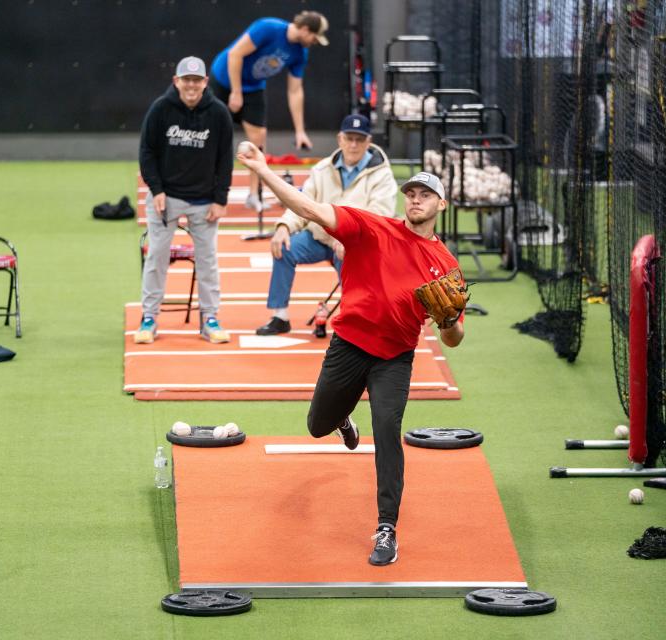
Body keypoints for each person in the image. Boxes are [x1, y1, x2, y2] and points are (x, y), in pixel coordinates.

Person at [239, 141, 465, 566]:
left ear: (442, 203)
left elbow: (453, 339)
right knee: (317, 425)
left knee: (387, 428)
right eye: (411, 193)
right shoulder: (372, 227)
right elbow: (310, 209)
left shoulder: (447, 265)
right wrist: (263, 169)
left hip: (394, 358)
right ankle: (342, 417)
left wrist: (450, 321)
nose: (416, 200)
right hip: (348, 346)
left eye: (425, 195)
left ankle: (386, 528)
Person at [256, 114, 398, 335]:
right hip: (319, 237)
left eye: (359, 140)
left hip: (355, 244)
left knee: (350, 259)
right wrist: (284, 226)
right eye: (349, 138)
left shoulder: (382, 175)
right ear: (339, 139)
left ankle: (355, 319)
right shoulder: (322, 169)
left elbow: (381, 216)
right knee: (283, 248)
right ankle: (280, 316)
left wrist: (351, 237)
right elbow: (303, 204)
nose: (353, 144)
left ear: (368, 142)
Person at [136, 56, 234, 344]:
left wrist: (220, 199)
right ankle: (149, 317)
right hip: (166, 198)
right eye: (186, 80)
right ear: (176, 81)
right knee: (156, 257)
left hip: (204, 200)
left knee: (208, 260)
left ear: (205, 82)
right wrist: (156, 190)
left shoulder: (218, 113)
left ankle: (210, 319)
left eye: (196, 80)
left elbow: (224, 159)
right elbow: (147, 152)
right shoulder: (160, 109)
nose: (191, 86)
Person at [209, 11, 329, 212]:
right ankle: (206, 190)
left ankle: (254, 195)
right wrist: (236, 92)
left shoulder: (301, 53)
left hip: (253, 88)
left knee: (259, 138)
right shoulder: (268, 28)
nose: (314, 42)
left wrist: (300, 130)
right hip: (224, 79)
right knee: (214, 136)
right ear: (306, 29)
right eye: (314, 38)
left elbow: (295, 90)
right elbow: (235, 54)